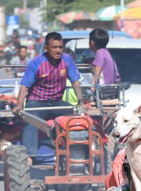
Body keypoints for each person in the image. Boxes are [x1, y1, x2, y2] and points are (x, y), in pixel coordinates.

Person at [13, 32, 86, 163]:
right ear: (46, 47)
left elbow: (75, 81)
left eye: (60, 47)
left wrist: (81, 102)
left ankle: (77, 151)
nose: (58, 50)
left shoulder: (67, 60)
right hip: (37, 102)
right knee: (31, 120)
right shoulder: (36, 62)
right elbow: (24, 86)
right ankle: (30, 156)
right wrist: (19, 106)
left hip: (57, 102)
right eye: (54, 47)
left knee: (76, 118)